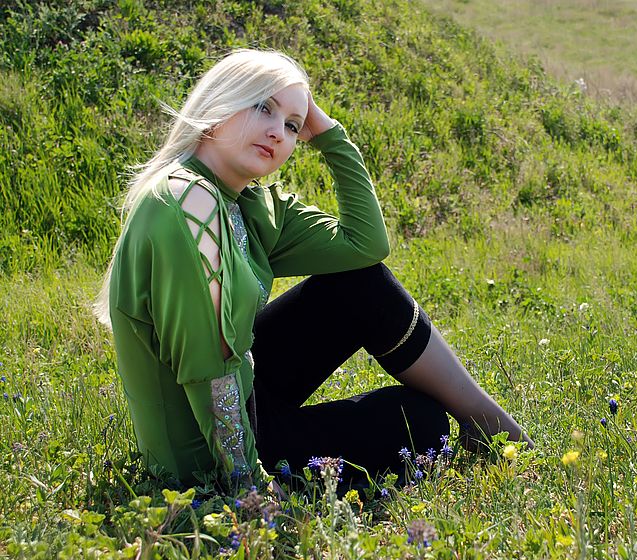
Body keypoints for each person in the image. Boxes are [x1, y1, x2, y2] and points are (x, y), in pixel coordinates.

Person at [94, 48, 532, 494]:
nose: (278, 133)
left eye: (290, 124)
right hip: (207, 455)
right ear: (217, 105)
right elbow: (210, 369)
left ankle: (486, 423)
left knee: (357, 285)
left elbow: (364, 247)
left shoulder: (247, 203)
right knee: (421, 425)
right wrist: (248, 491)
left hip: (251, 399)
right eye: (262, 106)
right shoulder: (189, 202)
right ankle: (492, 431)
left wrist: (328, 133)